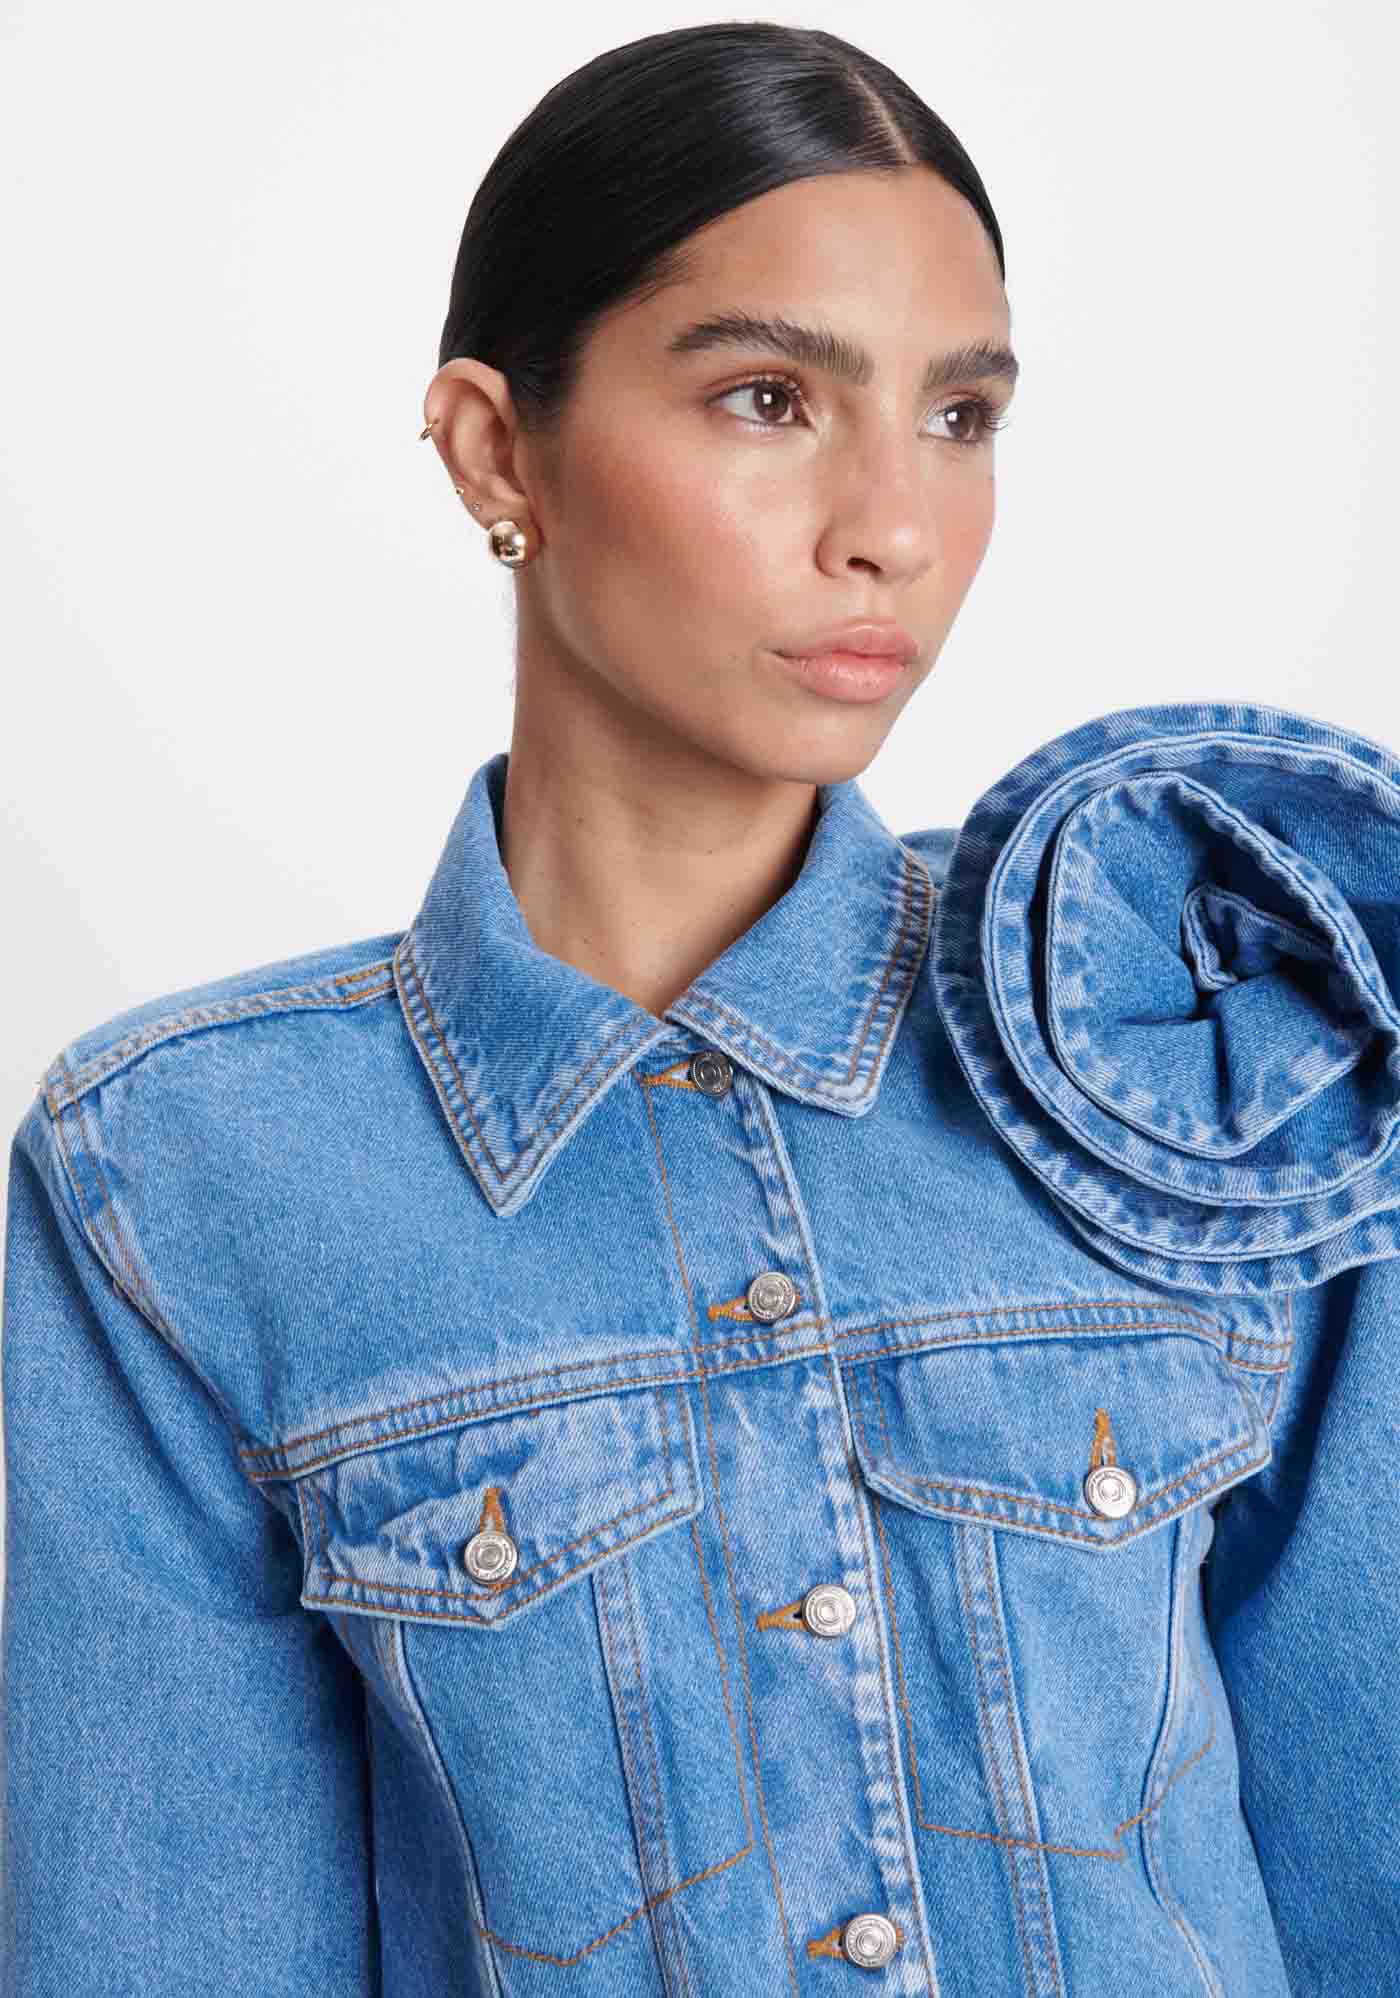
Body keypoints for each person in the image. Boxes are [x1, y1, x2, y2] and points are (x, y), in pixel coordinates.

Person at [4, 21, 1397, 1996]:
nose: (892, 523)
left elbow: (1365, 1855)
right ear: (499, 451)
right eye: (767, 398)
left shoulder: (1187, 1041)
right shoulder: (180, 1174)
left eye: (959, 413)